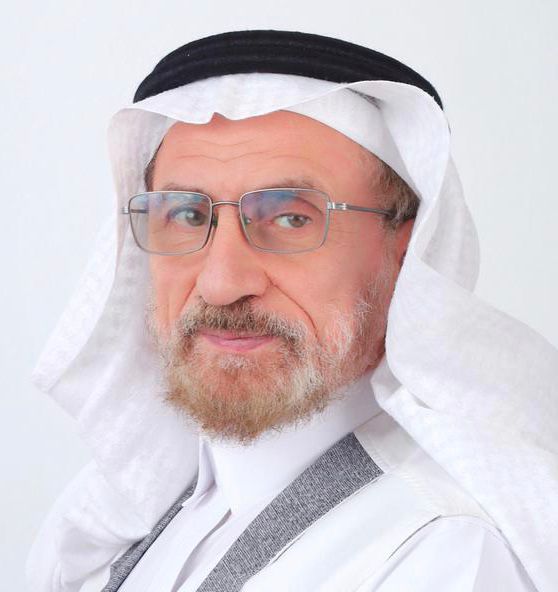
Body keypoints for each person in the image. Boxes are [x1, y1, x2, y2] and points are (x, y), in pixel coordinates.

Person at [26, 30, 557, 592]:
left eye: (291, 219)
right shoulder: (124, 517)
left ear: (405, 248)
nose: (222, 284)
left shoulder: (443, 553)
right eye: (187, 216)